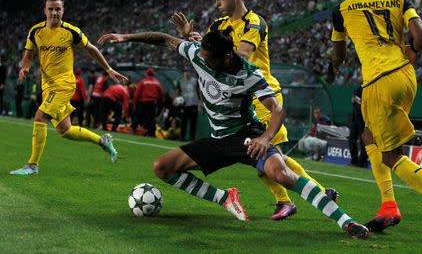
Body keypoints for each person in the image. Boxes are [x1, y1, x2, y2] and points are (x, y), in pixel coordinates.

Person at [98, 27, 369, 238]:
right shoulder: (199, 55)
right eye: (200, 56)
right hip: (217, 140)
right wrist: (126, 37)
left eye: (208, 59)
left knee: (283, 174)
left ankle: (346, 222)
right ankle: (226, 197)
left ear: (227, 57)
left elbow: (277, 110)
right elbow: (166, 40)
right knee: (161, 168)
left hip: (247, 137)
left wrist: (264, 139)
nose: (201, 61)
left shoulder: (250, 74)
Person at [171, 0, 336, 221]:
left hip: (263, 97)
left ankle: (288, 201)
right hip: (237, 98)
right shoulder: (218, 25)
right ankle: (320, 193)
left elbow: (243, 55)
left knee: (267, 157)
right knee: (272, 158)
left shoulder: (255, 23)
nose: (216, 4)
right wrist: (189, 38)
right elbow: (208, 52)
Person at [330, 0, 422, 238]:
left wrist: (335, 63)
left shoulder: (342, 10)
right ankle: (388, 205)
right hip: (406, 76)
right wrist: (413, 51)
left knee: (390, 155)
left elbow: (340, 53)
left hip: (378, 81)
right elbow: (420, 38)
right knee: (369, 137)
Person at [9, 0, 127, 176]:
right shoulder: (36, 31)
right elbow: (29, 55)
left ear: (63, 11)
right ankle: (103, 141)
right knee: (65, 130)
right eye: (51, 9)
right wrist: (25, 68)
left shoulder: (72, 32)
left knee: (40, 117)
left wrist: (109, 69)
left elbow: (92, 50)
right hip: (47, 86)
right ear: (45, 10)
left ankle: (32, 165)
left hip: (64, 84)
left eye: (58, 9)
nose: (54, 12)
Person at [132, 68, 163, 136]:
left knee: (138, 116)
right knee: (151, 119)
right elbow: (161, 95)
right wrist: (160, 102)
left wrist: (135, 103)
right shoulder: (157, 82)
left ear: (146, 74)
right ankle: (152, 133)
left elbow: (137, 93)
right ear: (153, 74)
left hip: (143, 102)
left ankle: (134, 130)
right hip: (152, 103)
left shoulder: (143, 81)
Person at [175, 65, 201, 141]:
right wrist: (175, 100)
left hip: (194, 104)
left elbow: (199, 91)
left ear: (190, 73)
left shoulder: (195, 81)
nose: (187, 73)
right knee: (183, 123)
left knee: (193, 123)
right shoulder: (180, 81)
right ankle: (182, 137)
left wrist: (201, 102)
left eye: (188, 71)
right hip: (184, 105)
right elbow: (177, 91)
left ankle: (192, 139)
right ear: (183, 73)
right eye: (185, 71)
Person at [349, 86, 367, 167]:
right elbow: (353, 100)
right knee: (352, 139)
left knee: (363, 141)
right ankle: (354, 160)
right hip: (355, 118)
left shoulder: (370, 88)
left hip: (364, 119)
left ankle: (362, 162)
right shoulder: (359, 88)